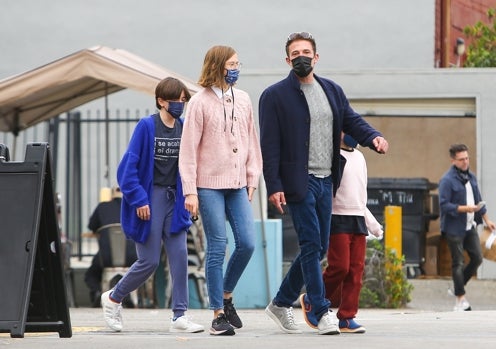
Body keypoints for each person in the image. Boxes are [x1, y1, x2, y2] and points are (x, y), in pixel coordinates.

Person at [259, 31, 388, 335]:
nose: (301, 56)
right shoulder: (274, 96)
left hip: (327, 180)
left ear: (316, 57)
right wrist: (274, 185)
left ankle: (281, 302)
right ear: (287, 59)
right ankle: (321, 310)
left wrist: (373, 137)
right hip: (298, 182)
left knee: (316, 250)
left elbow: (351, 120)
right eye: (295, 52)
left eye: (306, 51)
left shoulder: (331, 90)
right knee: (310, 243)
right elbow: (270, 145)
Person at [100, 77, 204, 333]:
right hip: (151, 197)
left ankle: (180, 315)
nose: (181, 104)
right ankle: (113, 297)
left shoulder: (184, 128)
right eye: (176, 100)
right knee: (149, 261)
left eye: (183, 100)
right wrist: (138, 199)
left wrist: (192, 195)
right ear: (161, 100)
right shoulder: (147, 126)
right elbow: (127, 169)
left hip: (175, 199)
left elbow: (191, 166)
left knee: (180, 257)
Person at [179, 45, 263, 336]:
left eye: (238, 63)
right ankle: (217, 315)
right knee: (217, 246)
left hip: (238, 184)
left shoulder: (243, 99)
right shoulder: (199, 102)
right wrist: (190, 191)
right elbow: (188, 150)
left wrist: (252, 178)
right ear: (217, 66)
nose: (236, 68)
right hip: (208, 186)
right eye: (231, 63)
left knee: (248, 243)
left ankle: (226, 296)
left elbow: (252, 140)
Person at [322, 133, 383, 334]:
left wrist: (372, 224)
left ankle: (347, 317)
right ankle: (316, 299)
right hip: (337, 217)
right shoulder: (331, 157)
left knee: (356, 271)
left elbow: (360, 197)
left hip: (357, 219)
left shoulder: (360, 157)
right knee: (339, 267)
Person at [438, 143, 496, 311]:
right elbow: (444, 205)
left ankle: (457, 286)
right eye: (461, 159)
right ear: (453, 161)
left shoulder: (471, 177)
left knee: (477, 257)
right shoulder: (447, 181)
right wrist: (465, 209)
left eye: (467, 158)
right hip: (453, 227)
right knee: (458, 262)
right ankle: (460, 300)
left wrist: (487, 220)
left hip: (470, 225)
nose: (465, 162)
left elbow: (479, 201)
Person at [84, 186, 136, 308]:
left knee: (90, 274)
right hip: (132, 257)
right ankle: (128, 295)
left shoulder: (102, 207)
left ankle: (97, 291)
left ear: (111, 195)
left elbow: (91, 226)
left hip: (106, 258)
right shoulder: (134, 207)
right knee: (139, 268)